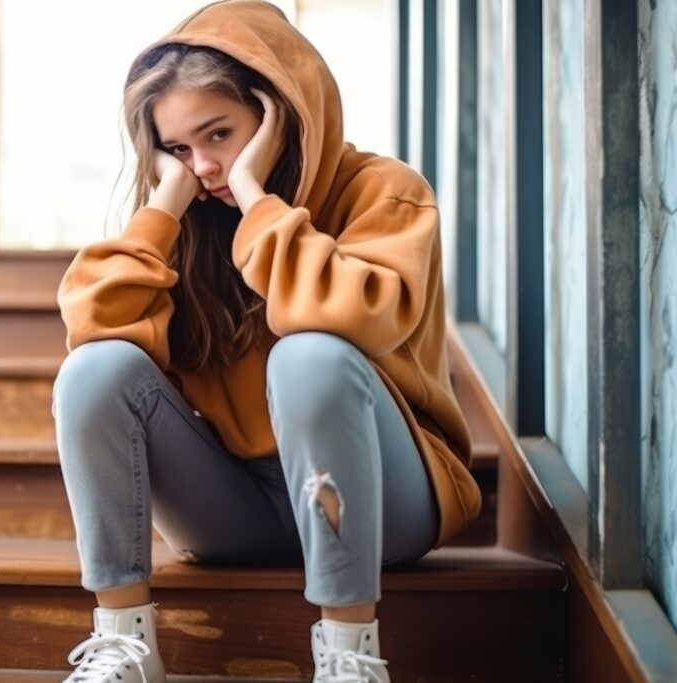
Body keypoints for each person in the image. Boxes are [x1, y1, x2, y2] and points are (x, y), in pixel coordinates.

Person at [51, 1, 482, 681]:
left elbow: (343, 313)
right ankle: (124, 645)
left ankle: (349, 655)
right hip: (237, 507)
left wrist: (258, 198)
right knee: (92, 370)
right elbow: (93, 326)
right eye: (179, 149)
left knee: (308, 352)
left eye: (220, 135)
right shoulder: (186, 218)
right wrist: (164, 206)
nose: (205, 167)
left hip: (385, 502)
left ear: (278, 111)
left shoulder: (384, 192)